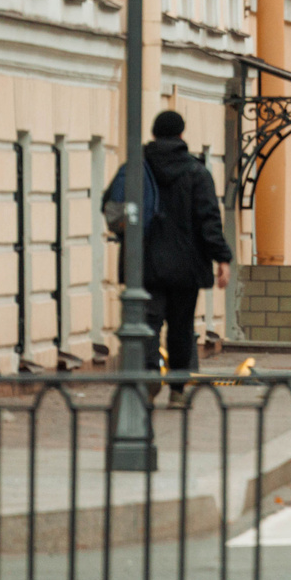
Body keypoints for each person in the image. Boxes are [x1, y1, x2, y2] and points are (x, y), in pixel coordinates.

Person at [103, 109, 233, 387]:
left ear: (153, 134)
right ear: (182, 134)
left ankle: (150, 378)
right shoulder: (197, 172)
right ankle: (177, 389)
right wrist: (222, 258)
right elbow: (208, 220)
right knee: (181, 329)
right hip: (186, 267)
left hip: (145, 264)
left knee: (148, 325)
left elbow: (113, 205)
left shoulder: (136, 168)